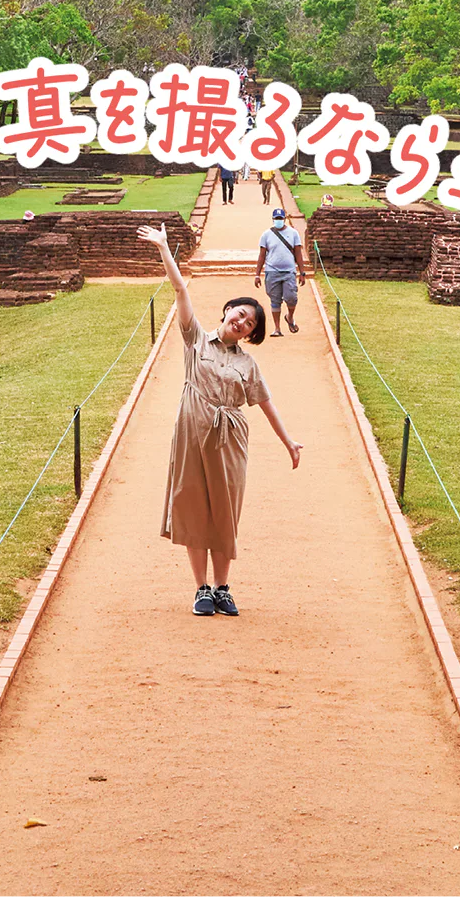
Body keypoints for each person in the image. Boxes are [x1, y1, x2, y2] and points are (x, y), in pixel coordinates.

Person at [138, 221, 302, 616]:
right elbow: (180, 289)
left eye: (250, 324)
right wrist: (163, 247)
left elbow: (266, 404)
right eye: (240, 314)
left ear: (250, 333)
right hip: (192, 432)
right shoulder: (195, 338)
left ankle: (223, 587)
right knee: (194, 507)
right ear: (228, 311)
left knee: (225, 509)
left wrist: (289, 442)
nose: (242, 322)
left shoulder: (248, 363)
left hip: (230, 438)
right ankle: (201, 590)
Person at [255, 203, 306, 337]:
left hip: (289, 271)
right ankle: (277, 328)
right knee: (275, 300)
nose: (278, 220)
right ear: (273, 219)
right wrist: (257, 274)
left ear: (284, 219)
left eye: (280, 218)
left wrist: (302, 272)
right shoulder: (266, 235)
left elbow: (298, 254)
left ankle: (289, 317)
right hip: (272, 271)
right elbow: (262, 255)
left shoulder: (293, 233)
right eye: (276, 218)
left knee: (291, 298)